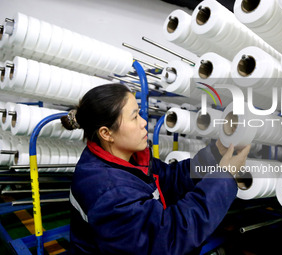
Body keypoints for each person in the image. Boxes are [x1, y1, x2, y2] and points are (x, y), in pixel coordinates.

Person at [61, 83, 251, 255]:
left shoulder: (129, 159)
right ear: (106, 133)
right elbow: (168, 236)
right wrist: (223, 178)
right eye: (134, 117)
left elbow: (170, 178)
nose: (144, 122)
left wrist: (215, 154)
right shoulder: (109, 193)